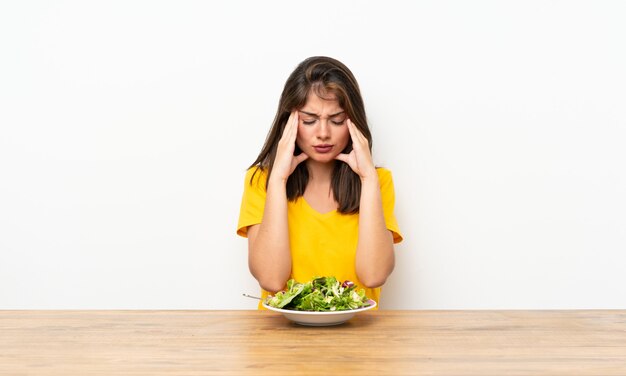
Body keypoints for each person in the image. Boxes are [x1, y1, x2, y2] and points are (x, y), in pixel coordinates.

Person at [237, 56, 402, 308]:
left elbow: (374, 275)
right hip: (280, 341)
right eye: (309, 120)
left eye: (336, 120)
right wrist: (278, 180)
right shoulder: (261, 181)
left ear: (353, 122)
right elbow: (271, 279)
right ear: (289, 122)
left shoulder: (378, 181)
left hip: (358, 339)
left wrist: (367, 179)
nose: (323, 133)